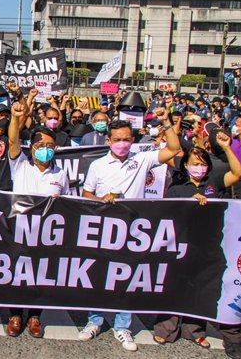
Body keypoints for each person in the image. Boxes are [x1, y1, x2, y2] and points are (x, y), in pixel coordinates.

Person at [78, 108, 181, 351]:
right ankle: (95, 320)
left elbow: (174, 149)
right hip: (103, 229)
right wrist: (100, 199)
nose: (122, 144)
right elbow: (86, 194)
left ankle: (122, 326)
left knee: (126, 277)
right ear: (108, 141)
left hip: (133, 230)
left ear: (132, 140)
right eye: (117, 140)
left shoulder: (142, 160)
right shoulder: (98, 166)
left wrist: (166, 122)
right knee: (99, 277)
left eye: (126, 139)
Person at [152, 134, 241, 348]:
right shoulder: (177, 188)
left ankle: (194, 330)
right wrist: (187, 203)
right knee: (173, 287)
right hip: (181, 246)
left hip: (209, 247)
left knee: (202, 289)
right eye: (195, 164)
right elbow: (167, 214)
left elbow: (238, 173)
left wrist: (227, 148)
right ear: (186, 166)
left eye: (203, 164)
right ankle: (166, 328)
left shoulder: (214, 183)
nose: (199, 168)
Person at [5, 103, 70, 338]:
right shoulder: (20, 165)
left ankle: (34, 316)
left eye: (50, 146)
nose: (45, 149)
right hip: (20, 231)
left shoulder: (60, 174)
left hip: (47, 235)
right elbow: (12, 141)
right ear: (31, 148)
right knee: (16, 274)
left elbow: (67, 204)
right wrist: (15, 117)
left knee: (41, 276)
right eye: (40, 145)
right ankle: (15, 315)